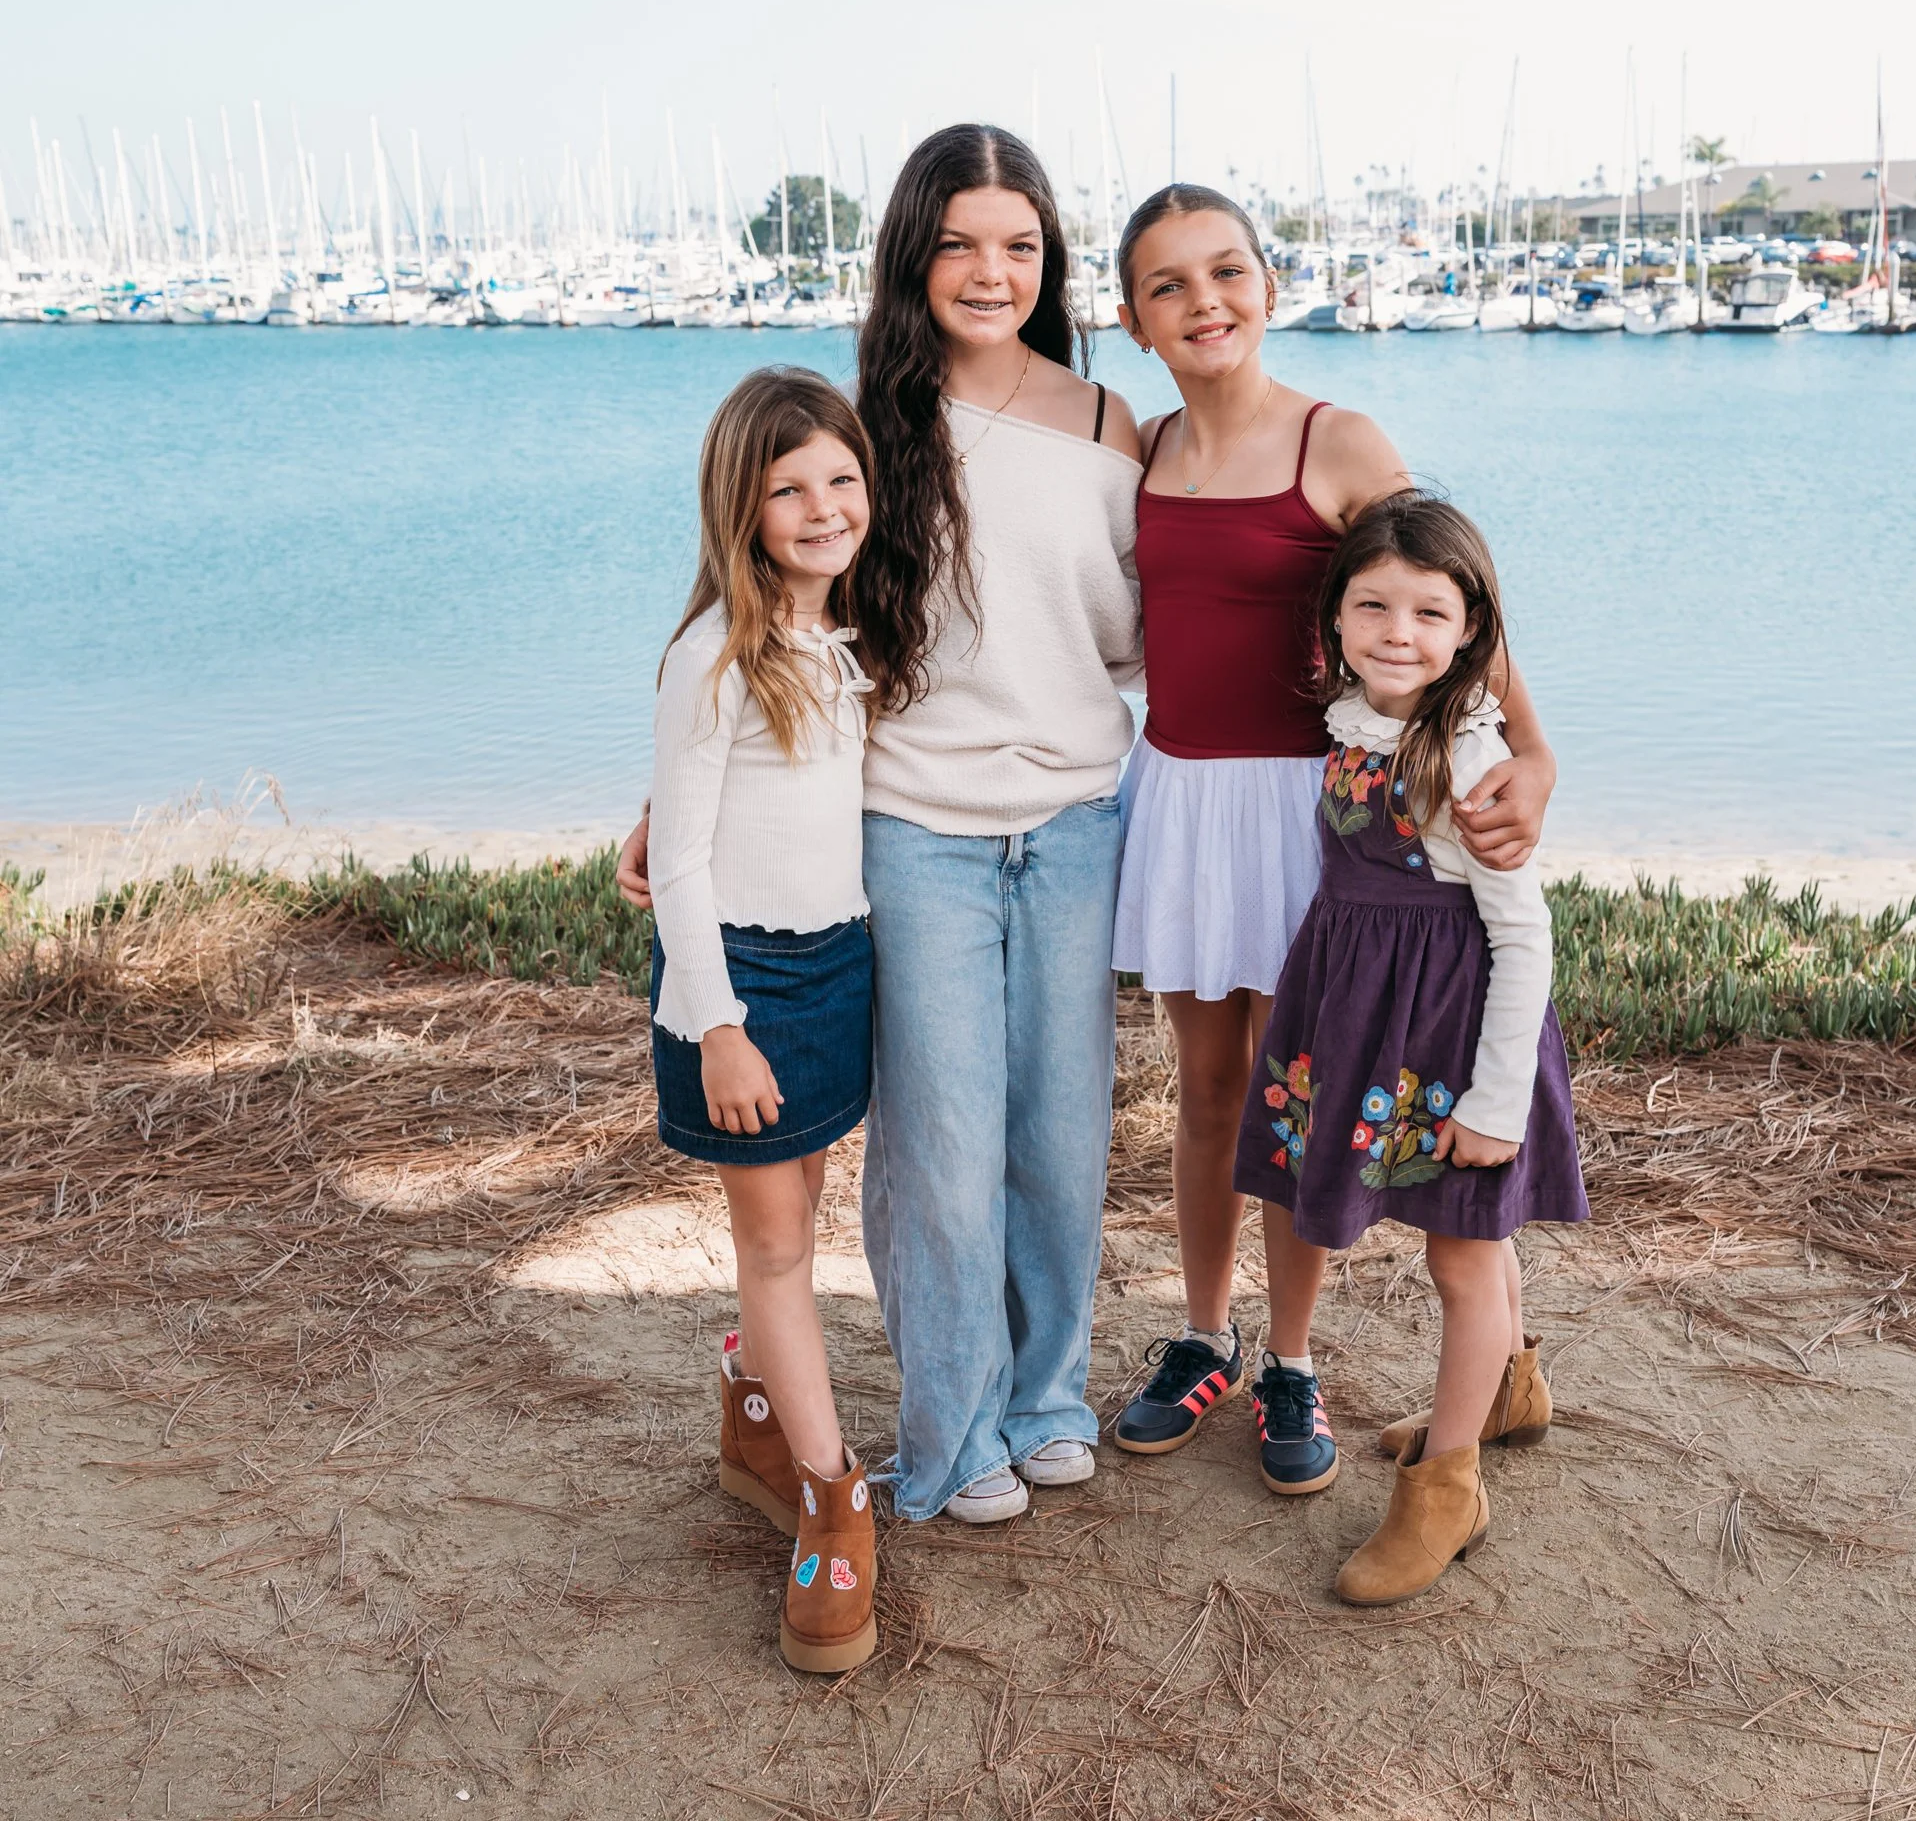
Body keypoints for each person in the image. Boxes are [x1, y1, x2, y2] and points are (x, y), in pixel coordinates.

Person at [621, 125, 1144, 1526]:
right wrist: (673, 793)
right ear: (913, 254)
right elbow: (776, 613)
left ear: (1050, 259)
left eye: (1020, 245)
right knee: (943, 1148)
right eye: (960, 242)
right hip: (909, 826)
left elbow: (1142, 632)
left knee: (1061, 1134)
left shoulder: (1105, 425)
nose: (991, 271)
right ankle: (952, 1432)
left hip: (1077, 820)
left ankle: (1047, 1397)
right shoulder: (864, 422)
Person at [1103, 186, 1558, 1491]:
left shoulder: (1338, 439)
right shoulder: (1139, 451)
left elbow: (1450, 598)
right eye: (1170, 285)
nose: (1206, 302)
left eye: (1227, 271)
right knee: (1205, 1093)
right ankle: (1204, 1339)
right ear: (1133, 319)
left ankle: (1291, 1361)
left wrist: (1533, 752)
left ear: (1270, 281)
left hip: (1314, 812)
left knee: (1294, 1099)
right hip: (1185, 799)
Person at [1231, 491, 1587, 1605]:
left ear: (1471, 631)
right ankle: (1508, 1393)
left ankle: (1448, 1487)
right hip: (1371, 1024)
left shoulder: (1465, 754)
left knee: (1460, 1255)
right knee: (1465, 1250)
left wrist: (1492, 1104)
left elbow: (1521, 937)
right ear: (1333, 620)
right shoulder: (1357, 724)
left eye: (1429, 613)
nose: (1398, 632)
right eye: (1373, 605)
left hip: (1456, 1044)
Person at [643, 366, 882, 1672]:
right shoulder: (714, 655)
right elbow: (681, 860)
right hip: (738, 985)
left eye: (841, 478)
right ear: (740, 505)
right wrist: (719, 1024)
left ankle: (753, 1401)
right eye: (788, 487)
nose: (822, 505)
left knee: (794, 1228)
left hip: (838, 966)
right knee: (780, 1243)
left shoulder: (843, 643)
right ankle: (834, 1497)